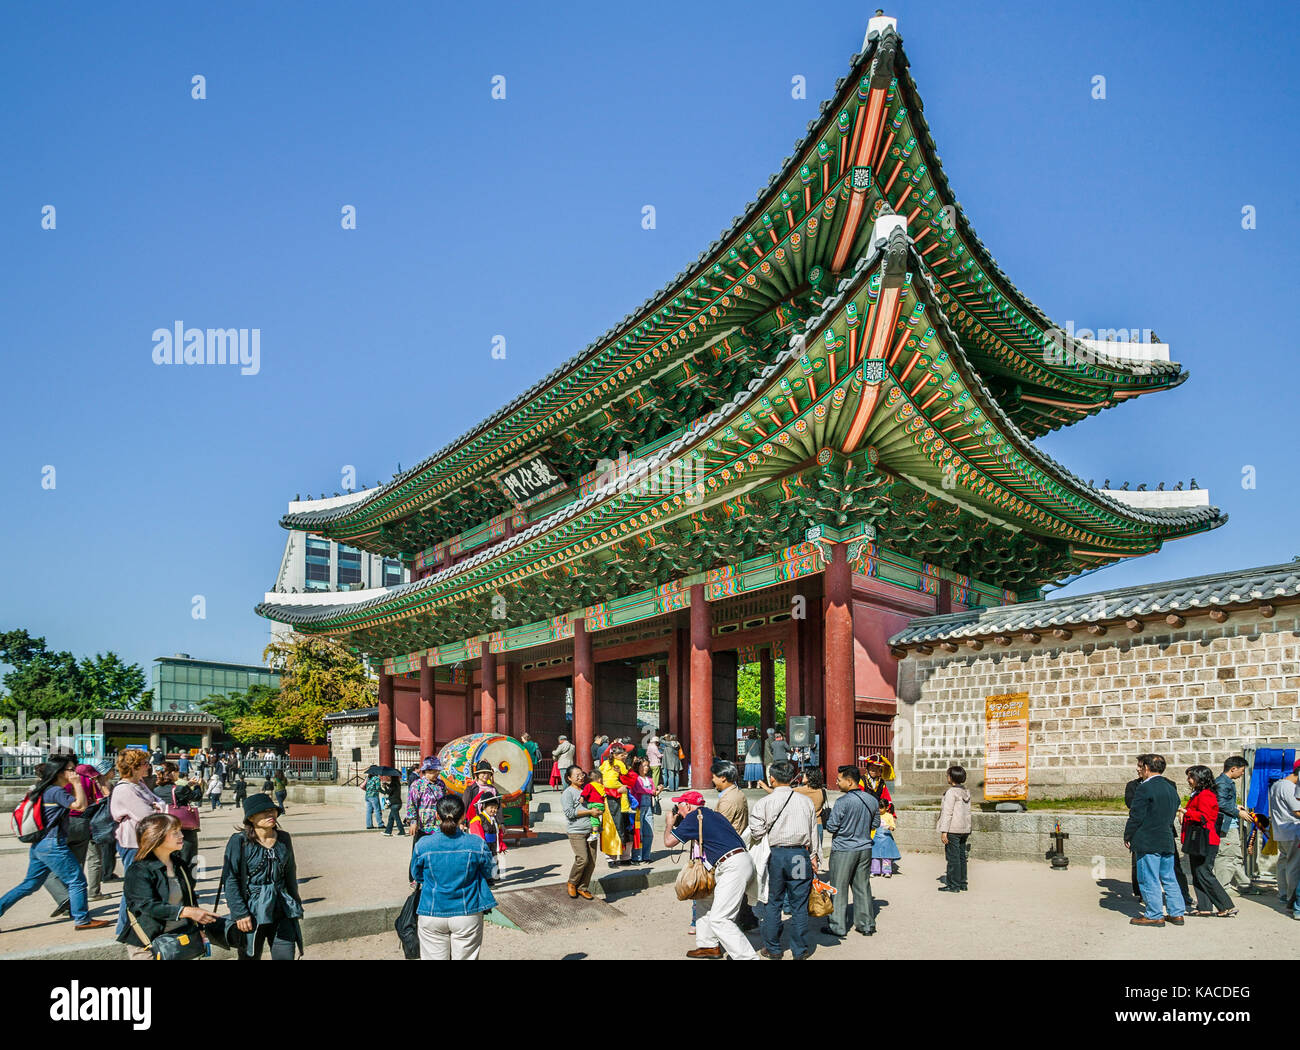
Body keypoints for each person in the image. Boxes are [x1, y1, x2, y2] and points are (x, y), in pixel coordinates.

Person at [0, 754, 111, 932]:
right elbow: (81, 806)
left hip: (41, 844)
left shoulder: (44, 789)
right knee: (77, 880)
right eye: (70, 769)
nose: (74, 772)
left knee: (30, 884)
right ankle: (82, 919)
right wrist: (76, 783)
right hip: (53, 843)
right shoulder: (56, 792)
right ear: (59, 772)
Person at [662, 790, 758, 960]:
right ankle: (708, 946)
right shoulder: (715, 815)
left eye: (679, 805)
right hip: (739, 860)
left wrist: (670, 823)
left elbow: (669, 842)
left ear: (688, 805)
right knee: (704, 899)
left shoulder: (692, 817)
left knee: (720, 919)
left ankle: (747, 958)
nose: (678, 809)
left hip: (731, 866)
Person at [216, 793, 304, 959]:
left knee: (285, 955)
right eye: (264, 812)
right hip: (252, 910)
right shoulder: (239, 842)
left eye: (273, 810)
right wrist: (240, 913)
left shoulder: (284, 838)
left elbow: (290, 873)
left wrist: (295, 904)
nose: (270, 815)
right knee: (250, 956)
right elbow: (231, 879)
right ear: (251, 818)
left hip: (281, 907)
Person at [118, 813, 219, 960]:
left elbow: (189, 899)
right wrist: (185, 912)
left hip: (181, 938)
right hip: (148, 943)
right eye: (175, 832)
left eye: (180, 830)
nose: (182, 835)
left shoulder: (180, 864)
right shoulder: (139, 870)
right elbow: (145, 906)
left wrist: (199, 927)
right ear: (156, 836)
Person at [409, 795, 497, 960]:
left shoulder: (423, 844)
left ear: (437, 815)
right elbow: (491, 872)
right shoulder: (476, 843)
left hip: (431, 910)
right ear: (463, 816)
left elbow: (417, 875)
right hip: (468, 911)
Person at [748, 759, 819, 960]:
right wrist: (814, 857)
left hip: (775, 856)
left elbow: (756, 831)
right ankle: (800, 950)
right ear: (792, 777)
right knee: (799, 903)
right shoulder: (805, 801)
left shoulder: (764, 803)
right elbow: (813, 832)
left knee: (773, 901)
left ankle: (773, 948)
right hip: (799, 855)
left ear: (772, 778)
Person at [1124, 753, 1187, 926]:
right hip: (1166, 838)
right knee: (1169, 877)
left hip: (1148, 839)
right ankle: (1177, 913)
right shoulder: (1170, 787)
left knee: (1148, 877)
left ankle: (1154, 914)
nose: (1138, 769)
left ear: (1146, 768)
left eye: (1140, 766)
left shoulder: (1144, 788)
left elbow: (1136, 815)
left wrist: (1128, 835)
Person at [42, 759, 108, 917]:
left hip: (63, 823)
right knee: (77, 866)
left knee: (57, 868)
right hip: (82, 822)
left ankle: (68, 901)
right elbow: (98, 798)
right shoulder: (86, 780)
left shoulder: (58, 783)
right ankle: (75, 905)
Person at [111, 749, 164, 935]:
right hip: (133, 842)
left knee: (146, 884)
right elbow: (147, 814)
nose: (148, 766)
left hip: (145, 840)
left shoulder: (139, 783)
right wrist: (158, 808)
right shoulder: (125, 788)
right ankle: (124, 928)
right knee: (134, 886)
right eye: (144, 763)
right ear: (134, 767)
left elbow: (159, 802)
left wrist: (158, 807)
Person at [823, 765, 879, 938]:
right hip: (865, 848)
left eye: (839, 780)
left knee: (838, 887)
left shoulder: (842, 802)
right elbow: (875, 824)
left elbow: (832, 827)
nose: (837, 782)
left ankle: (838, 926)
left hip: (844, 849)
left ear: (849, 781)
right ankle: (866, 924)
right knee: (862, 886)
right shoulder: (871, 800)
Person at [1180, 764, 1235, 917]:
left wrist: (1186, 812)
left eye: (1191, 777)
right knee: (1198, 873)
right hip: (1198, 839)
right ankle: (1204, 906)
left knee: (1204, 872)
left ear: (1200, 778)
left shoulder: (1205, 795)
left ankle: (1226, 905)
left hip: (1206, 839)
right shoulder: (1199, 793)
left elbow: (1205, 817)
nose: (1188, 780)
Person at [710, 759, 758, 932]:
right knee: (739, 889)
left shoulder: (728, 800)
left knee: (728, 890)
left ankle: (733, 924)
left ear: (723, 778)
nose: (713, 780)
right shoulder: (737, 793)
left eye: (714, 777)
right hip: (737, 845)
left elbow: (719, 826)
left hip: (728, 848)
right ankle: (747, 920)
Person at [1214, 757, 1258, 896]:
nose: (1242, 774)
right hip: (1226, 826)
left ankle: (1244, 884)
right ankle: (1224, 887)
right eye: (1242, 771)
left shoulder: (1225, 782)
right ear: (1233, 769)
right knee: (1226, 857)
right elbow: (1220, 803)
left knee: (1235, 856)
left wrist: (1235, 806)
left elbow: (1224, 802)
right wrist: (1238, 812)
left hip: (1229, 824)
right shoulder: (1222, 783)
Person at [1268, 759, 1300, 916]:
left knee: (1283, 863)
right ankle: (1292, 898)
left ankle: (1282, 893)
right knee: (1294, 866)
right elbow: (1298, 811)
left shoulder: (1277, 784)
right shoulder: (1289, 788)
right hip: (1292, 830)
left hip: (1281, 831)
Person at [152, 762, 201, 865]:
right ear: (173, 773)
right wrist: (197, 786)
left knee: (170, 858)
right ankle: (187, 879)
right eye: (177, 772)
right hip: (183, 828)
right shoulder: (179, 789)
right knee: (187, 858)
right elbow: (196, 797)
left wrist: (188, 785)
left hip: (165, 827)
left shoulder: (156, 790)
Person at [937, 764, 971, 892]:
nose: (947, 777)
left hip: (952, 829)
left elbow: (947, 812)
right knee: (961, 857)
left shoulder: (951, 792)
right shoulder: (965, 792)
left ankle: (953, 885)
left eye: (948, 775)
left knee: (952, 858)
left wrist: (944, 831)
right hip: (964, 829)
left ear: (951, 777)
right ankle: (962, 883)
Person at [405, 757, 447, 841]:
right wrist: (413, 821)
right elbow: (411, 804)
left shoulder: (441, 784)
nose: (437, 773)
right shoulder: (417, 785)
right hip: (423, 826)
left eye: (438, 771)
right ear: (426, 771)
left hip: (439, 825)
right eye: (434, 771)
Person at [631, 757, 659, 863]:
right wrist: (652, 791)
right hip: (639, 808)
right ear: (638, 767)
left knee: (649, 833)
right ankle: (637, 857)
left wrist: (657, 791)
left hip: (648, 808)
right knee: (639, 833)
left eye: (647, 765)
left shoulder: (650, 779)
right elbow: (639, 789)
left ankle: (646, 855)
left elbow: (653, 792)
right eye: (643, 765)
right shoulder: (635, 778)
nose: (646, 768)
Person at [795, 767, 829, 852]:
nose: (803, 776)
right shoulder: (822, 791)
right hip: (818, 824)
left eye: (805, 775)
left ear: (810, 777)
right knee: (816, 853)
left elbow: (781, 792)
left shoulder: (801, 790)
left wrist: (765, 787)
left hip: (804, 824)